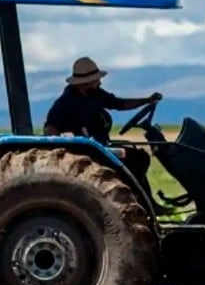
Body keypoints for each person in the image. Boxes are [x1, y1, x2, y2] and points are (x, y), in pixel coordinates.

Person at [42, 56, 162, 195]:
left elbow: (120, 104)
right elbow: (50, 127)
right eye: (96, 80)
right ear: (85, 83)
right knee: (136, 160)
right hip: (89, 152)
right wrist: (63, 150)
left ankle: (143, 199)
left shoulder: (95, 94)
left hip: (102, 146)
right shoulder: (65, 103)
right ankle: (134, 198)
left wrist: (147, 100)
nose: (99, 82)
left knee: (140, 158)